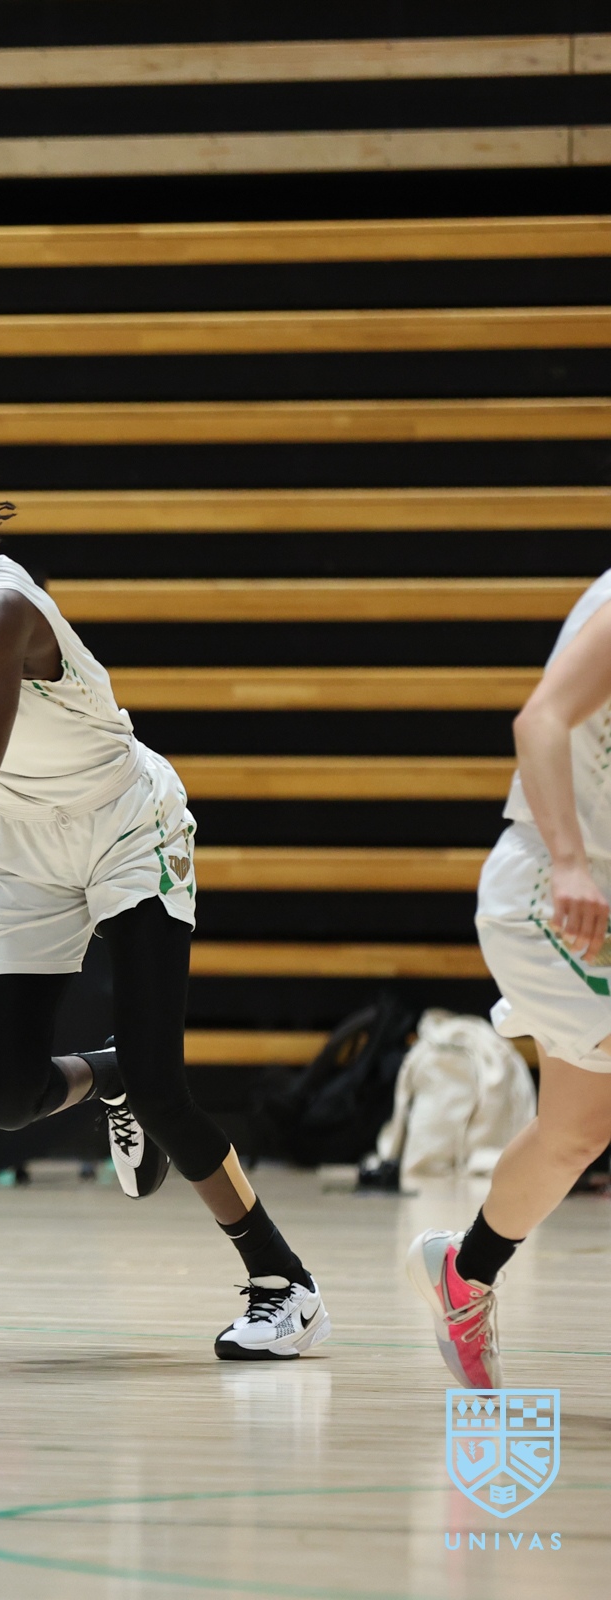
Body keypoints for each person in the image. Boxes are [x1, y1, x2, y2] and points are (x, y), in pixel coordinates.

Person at [0, 461, 329, 1361]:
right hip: (20, 839)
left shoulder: (2, 609)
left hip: (123, 821)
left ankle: (285, 1285)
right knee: (5, 1097)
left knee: (165, 1086)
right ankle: (110, 1072)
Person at [408, 566, 611, 1384]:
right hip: (554, 895)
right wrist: (570, 861)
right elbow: (541, 720)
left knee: (574, 1134)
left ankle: (465, 1274)